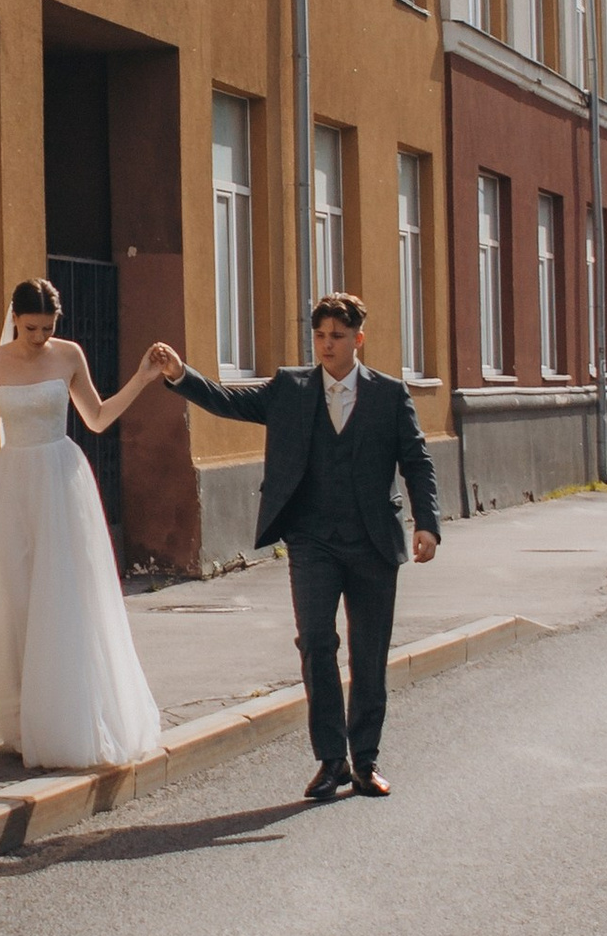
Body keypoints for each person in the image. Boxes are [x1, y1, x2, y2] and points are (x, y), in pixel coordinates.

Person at [153, 292, 440, 802]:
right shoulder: (291, 387)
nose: (327, 346)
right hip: (311, 541)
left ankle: (365, 763)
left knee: (368, 654)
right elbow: (232, 402)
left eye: (338, 337)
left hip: (373, 543)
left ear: (358, 339)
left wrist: (427, 524)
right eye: (321, 337)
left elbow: (416, 460)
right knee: (315, 644)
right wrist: (181, 375)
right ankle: (330, 761)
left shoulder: (389, 394)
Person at [0, 278, 167, 773]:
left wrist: (141, 378)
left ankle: (66, 718)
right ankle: (19, 719)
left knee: (65, 596)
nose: (39, 336)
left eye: (48, 328)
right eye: (31, 327)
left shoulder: (68, 355)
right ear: (15, 318)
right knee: (15, 597)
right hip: (13, 481)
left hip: (60, 479)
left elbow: (95, 419)